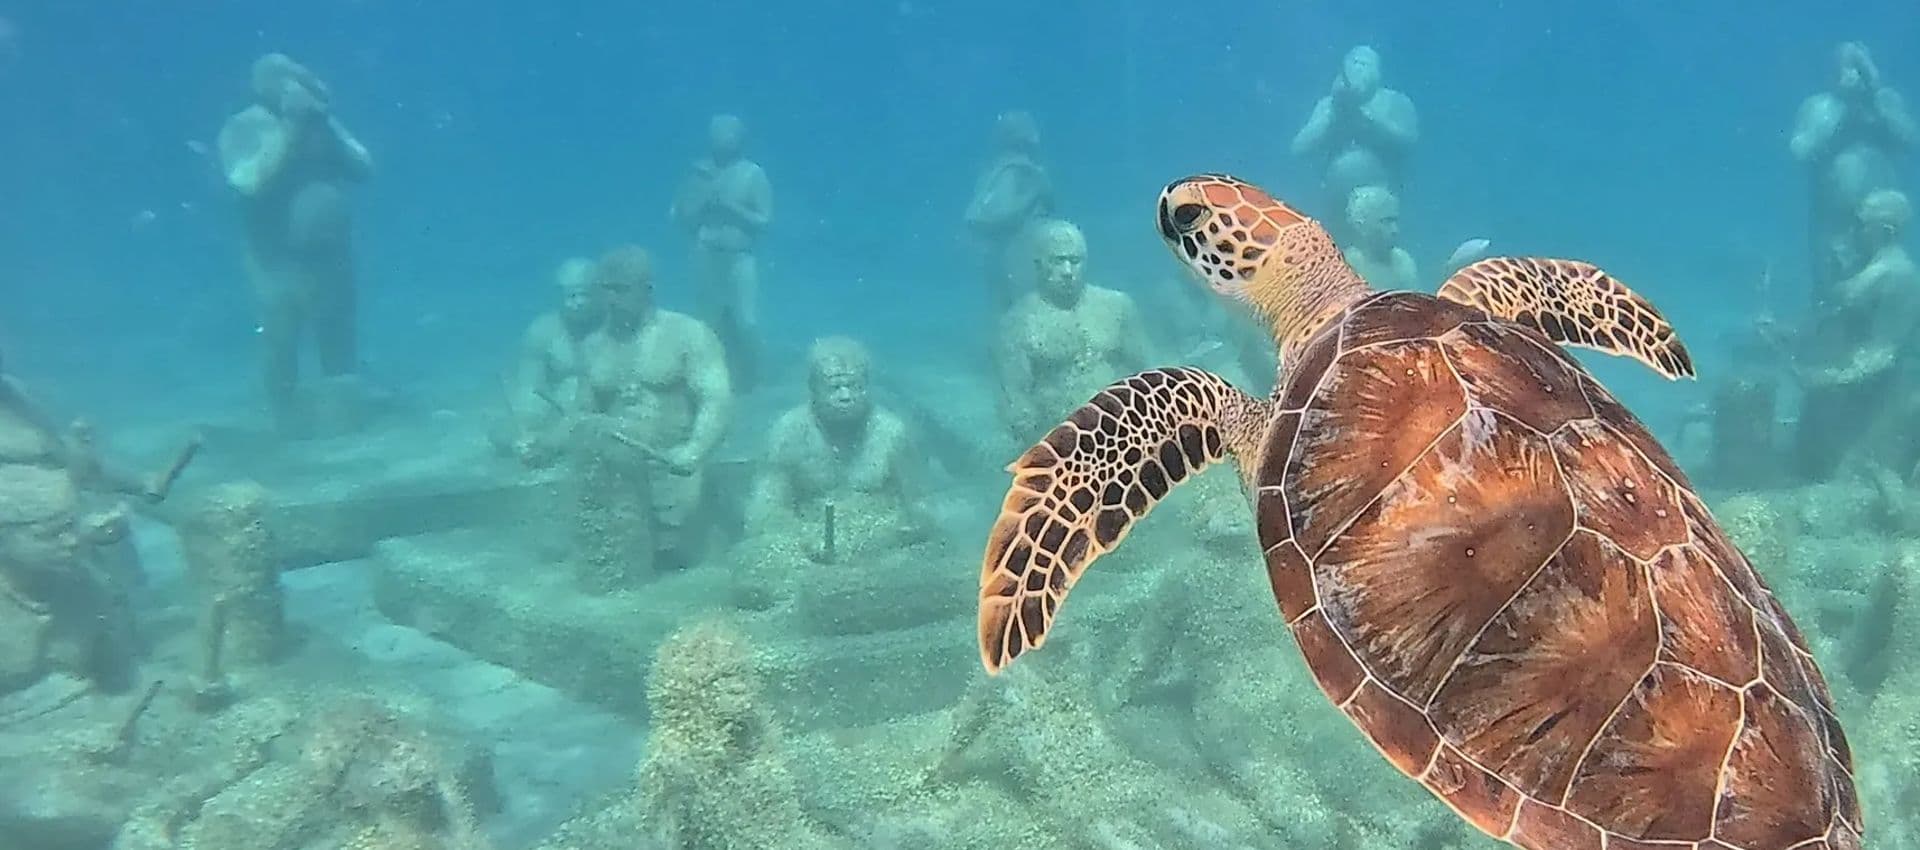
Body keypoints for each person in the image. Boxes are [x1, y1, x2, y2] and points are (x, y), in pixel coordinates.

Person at [217, 53, 374, 435]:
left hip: (331, 255)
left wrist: (322, 121)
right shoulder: (243, 126)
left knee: (337, 331)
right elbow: (250, 181)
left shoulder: (321, 125)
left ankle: (342, 420)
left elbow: (363, 167)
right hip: (276, 260)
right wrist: (290, 125)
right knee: (281, 336)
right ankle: (285, 421)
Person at [579, 246, 733, 569]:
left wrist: (695, 449)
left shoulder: (688, 334)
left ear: (646, 290)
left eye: (620, 290)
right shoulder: (592, 347)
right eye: (604, 290)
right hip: (621, 471)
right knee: (619, 561)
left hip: (675, 461)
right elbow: (583, 416)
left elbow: (716, 399)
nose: (611, 300)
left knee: (686, 559)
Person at [995, 220, 1152, 438]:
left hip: (1122, 429)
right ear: (1039, 264)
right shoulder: (1019, 321)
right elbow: (1015, 395)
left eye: (1075, 260)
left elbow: (1146, 373)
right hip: (1059, 438)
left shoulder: (1118, 307)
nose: (1067, 271)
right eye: (1058, 261)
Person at [1790, 42, 1918, 300]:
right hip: (1833, 218)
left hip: (1883, 219)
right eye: (1846, 67)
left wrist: (1876, 101)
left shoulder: (1885, 102)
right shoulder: (1820, 106)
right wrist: (1841, 116)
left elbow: (1911, 139)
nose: (1853, 74)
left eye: (1860, 66)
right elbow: (1800, 150)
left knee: (1884, 282)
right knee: (1833, 286)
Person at [670, 114, 772, 391]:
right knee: (707, 320)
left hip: (739, 256)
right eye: (718, 133)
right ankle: (707, 378)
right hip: (705, 254)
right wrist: (700, 202)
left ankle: (753, 377)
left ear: (741, 138)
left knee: (746, 320)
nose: (723, 139)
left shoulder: (752, 173)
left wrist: (730, 207)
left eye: (730, 133)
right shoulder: (698, 174)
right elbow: (679, 214)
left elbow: (764, 220)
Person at [1290, 45, 1419, 233]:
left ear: (1378, 72)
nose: (1358, 68)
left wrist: (1369, 118)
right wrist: (1334, 114)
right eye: (1354, 61)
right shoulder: (1329, 105)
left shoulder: (1395, 101)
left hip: (1382, 206)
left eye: (1365, 64)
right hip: (1334, 202)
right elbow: (1298, 148)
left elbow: (1409, 141)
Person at [965, 111, 1055, 311]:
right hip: (1021, 248)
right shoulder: (1024, 171)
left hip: (996, 253)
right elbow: (1049, 202)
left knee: (1004, 308)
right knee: (1028, 307)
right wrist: (1035, 191)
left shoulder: (992, 170)